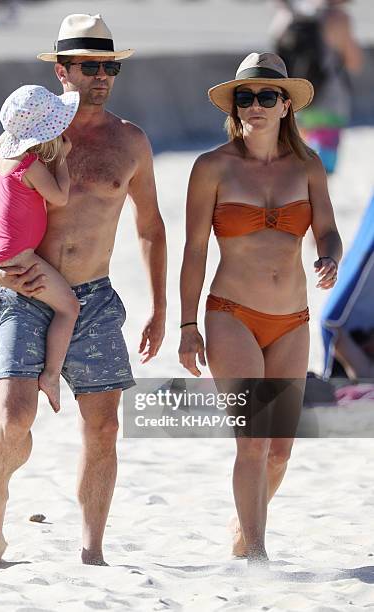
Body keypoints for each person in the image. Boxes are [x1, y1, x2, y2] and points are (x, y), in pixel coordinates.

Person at [0, 13, 167, 567]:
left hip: (93, 297)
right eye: (90, 66)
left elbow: (151, 226)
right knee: (15, 416)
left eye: (109, 66)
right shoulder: (30, 132)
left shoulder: (130, 140)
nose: (102, 76)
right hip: (27, 290)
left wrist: (163, 311)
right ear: (62, 70)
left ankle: (92, 552)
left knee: (105, 424)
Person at [178, 52, 342, 566]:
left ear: (286, 104)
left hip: (292, 320)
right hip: (232, 314)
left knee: (280, 451)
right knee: (252, 441)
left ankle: (244, 524)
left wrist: (330, 256)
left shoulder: (309, 164)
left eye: (266, 96)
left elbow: (329, 230)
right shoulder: (211, 167)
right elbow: (195, 251)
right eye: (245, 97)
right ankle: (255, 551)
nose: (255, 106)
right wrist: (187, 325)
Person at [0, 85, 81, 413]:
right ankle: (52, 375)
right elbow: (60, 196)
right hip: (20, 254)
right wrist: (63, 161)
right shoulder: (31, 166)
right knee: (69, 308)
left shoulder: (1, 151)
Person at [273, 0, 363, 174]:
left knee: (297, 168)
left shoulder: (287, 15)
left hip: (295, 102)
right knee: (321, 172)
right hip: (328, 106)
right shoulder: (338, 18)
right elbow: (355, 63)